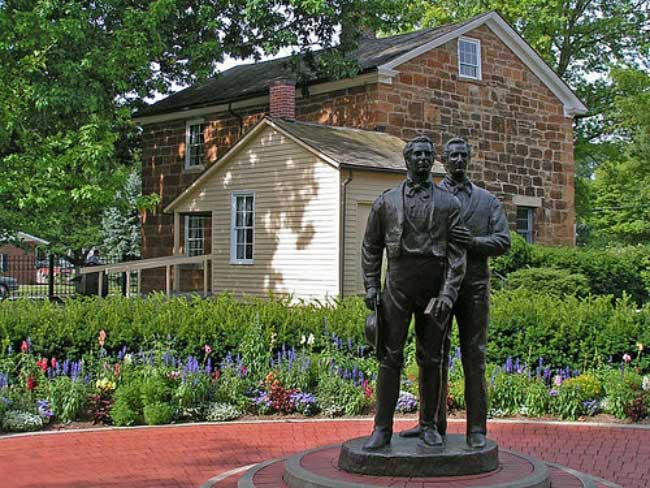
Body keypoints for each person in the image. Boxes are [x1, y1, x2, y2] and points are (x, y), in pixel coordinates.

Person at [399, 137, 511, 448]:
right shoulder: (431, 195)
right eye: (453, 156)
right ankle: (431, 423)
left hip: (474, 287)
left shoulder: (487, 201)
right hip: (438, 286)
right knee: (431, 356)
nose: (458, 160)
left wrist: (473, 242)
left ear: (469, 159)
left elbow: (503, 241)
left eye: (463, 155)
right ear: (444, 161)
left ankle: (477, 429)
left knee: (474, 357)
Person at [362, 135, 466, 449]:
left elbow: (457, 254)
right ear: (406, 160)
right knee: (388, 357)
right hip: (397, 282)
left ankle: (428, 424)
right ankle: (381, 428)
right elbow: (371, 247)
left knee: (432, 358)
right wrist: (370, 285)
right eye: (416, 154)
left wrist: (448, 294)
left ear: (432, 161)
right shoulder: (386, 201)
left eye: (426, 154)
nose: (421, 159)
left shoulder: (450, 203)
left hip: (433, 285)